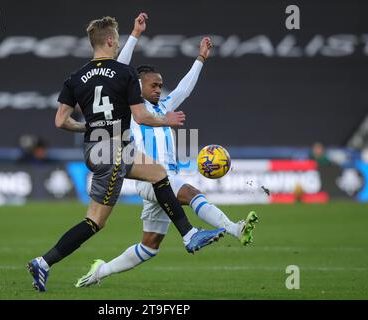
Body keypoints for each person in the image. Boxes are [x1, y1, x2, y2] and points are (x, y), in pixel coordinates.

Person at [27, 13, 225, 292]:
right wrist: (165, 119)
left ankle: (189, 234)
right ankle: (43, 263)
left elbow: (60, 121)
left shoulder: (75, 77)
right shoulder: (125, 74)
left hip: (99, 149)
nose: (118, 45)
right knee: (95, 221)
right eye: (117, 40)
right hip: (114, 152)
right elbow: (142, 116)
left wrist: (87, 128)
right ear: (109, 40)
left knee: (158, 173)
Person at [75, 16, 259, 287]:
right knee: (191, 192)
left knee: (149, 247)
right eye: (154, 86)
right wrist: (135, 34)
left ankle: (99, 272)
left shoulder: (165, 106)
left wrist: (200, 59)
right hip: (148, 179)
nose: (159, 90)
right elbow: (119, 67)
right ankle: (235, 228)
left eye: (161, 85)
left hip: (164, 180)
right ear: (138, 87)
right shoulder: (129, 106)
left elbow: (184, 88)